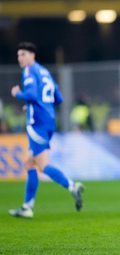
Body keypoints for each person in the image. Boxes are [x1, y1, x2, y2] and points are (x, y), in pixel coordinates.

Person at [9, 42, 84, 219]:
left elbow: (32, 95)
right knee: (28, 163)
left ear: (32, 55)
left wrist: (17, 93)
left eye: (23, 54)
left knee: (42, 166)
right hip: (49, 121)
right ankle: (27, 207)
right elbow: (58, 98)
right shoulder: (45, 72)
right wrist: (37, 105)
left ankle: (73, 186)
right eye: (18, 55)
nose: (20, 58)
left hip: (37, 123)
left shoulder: (29, 71)